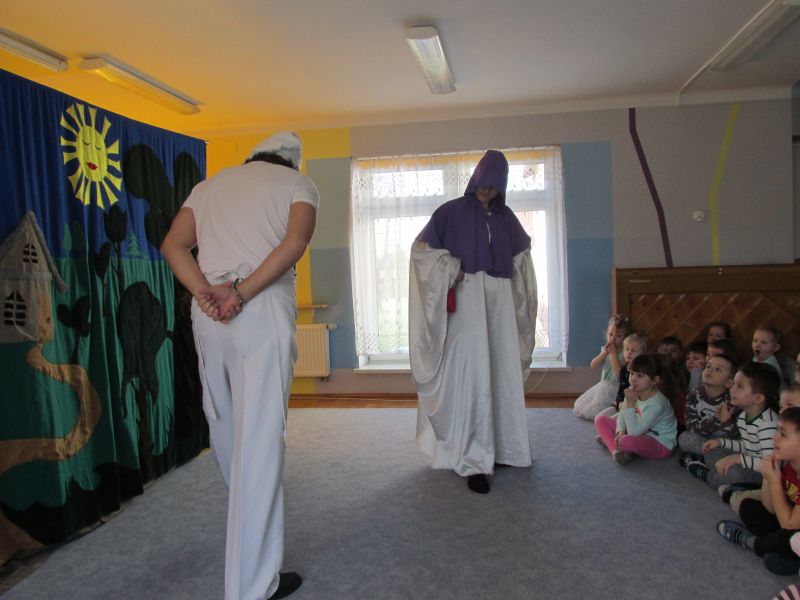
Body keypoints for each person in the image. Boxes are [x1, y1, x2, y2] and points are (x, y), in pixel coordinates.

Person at [160, 132, 318, 600]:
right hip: (258, 309)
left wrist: (205, 293)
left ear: (253, 158)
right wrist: (241, 293)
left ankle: (249, 539)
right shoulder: (298, 184)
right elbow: (295, 242)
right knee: (261, 441)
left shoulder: (209, 186)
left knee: (227, 430)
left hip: (209, 314)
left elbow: (173, 246)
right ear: (291, 162)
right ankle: (254, 585)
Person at [409, 149, 537, 495]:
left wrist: (521, 297)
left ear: (502, 185)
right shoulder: (450, 212)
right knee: (471, 375)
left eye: (495, 184)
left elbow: (522, 263)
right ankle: (474, 458)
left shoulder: (507, 218)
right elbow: (421, 252)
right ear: (475, 178)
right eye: (484, 182)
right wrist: (452, 267)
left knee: (500, 371)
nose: (487, 189)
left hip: (500, 304)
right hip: (466, 304)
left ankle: (504, 448)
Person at [716, 407, 800, 576]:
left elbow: (790, 526)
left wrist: (775, 482)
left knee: (786, 538)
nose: (775, 437)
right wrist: (769, 475)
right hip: (790, 526)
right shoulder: (790, 465)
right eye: (777, 431)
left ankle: (754, 543)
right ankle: (782, 554)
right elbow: (770, 508)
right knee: (748, 507)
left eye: (783, 434)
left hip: (793, 532)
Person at [688, 362, 781, 493]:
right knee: (712, 450)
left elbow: (771, 465)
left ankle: (707, 475)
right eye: (734, 384)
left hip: (763, 474)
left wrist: (737, 459)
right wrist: (721, 442)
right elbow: (747, 446)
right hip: (748, 459)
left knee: (734, 473)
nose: (732, 389)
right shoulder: (743, 416)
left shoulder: (768, 425)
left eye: (739, 386)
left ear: (758, 398)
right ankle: (718, 471)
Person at [595, 353, 678, 465]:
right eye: (632, 373)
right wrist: (620, 431)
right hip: (637, 430)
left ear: (654, 380)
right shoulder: (632, 390)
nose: (633, 379)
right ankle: (616, 451)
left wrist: (630, 404)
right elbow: (622, 415)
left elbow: (633, 433)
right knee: (600, 420)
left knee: (626, 441)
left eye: (640, 375)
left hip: (660, 443)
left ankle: (615, 442)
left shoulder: (658, 404)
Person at [677, 353, 737, 466]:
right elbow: (691, 427)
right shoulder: (694, 395)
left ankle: (700, 460)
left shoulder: (732, 401)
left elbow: (733, 435)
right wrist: (716, 420)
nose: (710, 370)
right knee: (684, 438)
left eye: (718, 369)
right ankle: (708, 460)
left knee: (733, 449)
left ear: (729, 383)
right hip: (701, 438)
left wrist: (727, 420)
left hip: (721, 442)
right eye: (708, 366)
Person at [572, 315, 629, 420]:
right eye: (610, 334)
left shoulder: (625, 354)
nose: (613, 338)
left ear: (625, 338)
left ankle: (614, 412)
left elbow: (618, 375)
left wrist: (613, 354)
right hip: (603, 385)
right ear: (606, 333)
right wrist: (605, 353)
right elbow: (593, 365)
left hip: (616, 388)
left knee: (598, 412)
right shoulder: (605, 350)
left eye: (618, 336)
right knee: (579, 404)